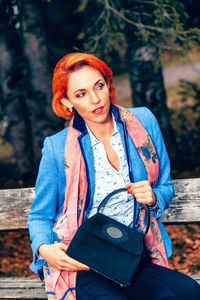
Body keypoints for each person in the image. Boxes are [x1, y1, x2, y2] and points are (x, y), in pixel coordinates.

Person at [28, 52, 200, 300]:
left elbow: (164, 186)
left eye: (99, 86)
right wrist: (44, 249)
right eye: (81, 94)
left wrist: (152, 198)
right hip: (81, 260)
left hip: (130, 254)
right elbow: (40, 214)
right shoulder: (57, 148)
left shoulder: (142, 121)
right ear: (67, 102)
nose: (95, 99)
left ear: (108, 84)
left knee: (188, 292)